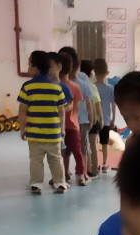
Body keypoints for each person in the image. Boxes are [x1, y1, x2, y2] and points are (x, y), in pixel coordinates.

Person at [17, 49, 68, 194]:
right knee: (56, 159)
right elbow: (62, 111)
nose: (28, 69)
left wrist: (22, 128)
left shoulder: (27, 87)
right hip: (53, 133)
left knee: (36, 160)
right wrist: (62, 128)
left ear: (36, 67)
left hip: (34, 134)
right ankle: (60, 183)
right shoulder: (56, 87)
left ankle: (36, 184)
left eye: (29, 65)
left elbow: (22, 111)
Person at [60, 47, 99, 180]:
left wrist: (91, 117)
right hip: (63, 122)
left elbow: (89, 100)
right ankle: (65, 172)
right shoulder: (60, 82)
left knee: (82, 148)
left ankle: (85, 172)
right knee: (65, 149)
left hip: (81, 121)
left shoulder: (82, 79)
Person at [56, 53, 87, 186]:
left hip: (64, 125)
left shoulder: (64, 86)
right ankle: (71, 174)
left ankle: (76, 174)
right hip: (71, 125)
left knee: (66, 152)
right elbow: (77, 109)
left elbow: (76, 108)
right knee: (72, 151)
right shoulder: (74, 86)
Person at [92, 59, 116, 172]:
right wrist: (113, 119)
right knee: (105, 143)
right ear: (107, 72)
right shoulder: (110, 88)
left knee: (94, 142)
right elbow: (113, 105)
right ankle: (105, 164)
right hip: (106, 120)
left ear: (94, 72)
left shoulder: (93, 87)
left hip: (94, 120)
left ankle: (95, 163)